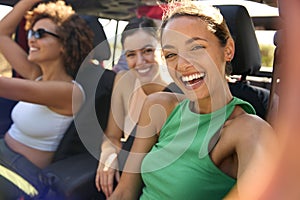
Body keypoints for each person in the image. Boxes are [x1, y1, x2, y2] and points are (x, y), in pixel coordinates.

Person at [108, 1, 277, 200]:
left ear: (228, 49)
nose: (182, 64)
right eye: (171, 55)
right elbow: (124, 192)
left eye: (196, 47)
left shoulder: (249, 132)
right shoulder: (159, 105)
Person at [0, 0, 93, 199]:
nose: (32, 40)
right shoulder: (37, 76)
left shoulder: (69, 92)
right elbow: (2, 34)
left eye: (40, 34)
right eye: (31, 33)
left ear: (64, 44)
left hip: (22, 176)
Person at [95, 17, 181, 198]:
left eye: (148, 51)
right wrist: (108, 153)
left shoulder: (179, 90)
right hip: (126, 175)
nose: (140, 61)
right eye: (131, 54)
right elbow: (112, 135)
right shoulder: (123, 81)